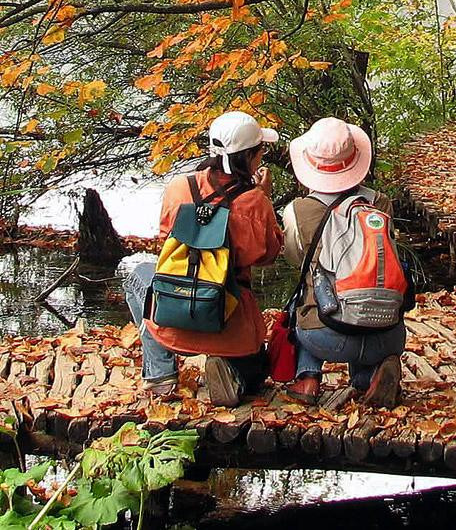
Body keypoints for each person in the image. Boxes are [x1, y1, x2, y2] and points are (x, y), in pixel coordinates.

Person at [124, 111, 283, 405]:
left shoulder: (178, 187)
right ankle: (232, 372)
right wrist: (264, 197)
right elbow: (269, 254)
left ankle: (160, 373)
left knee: (140, 274)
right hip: (229, 318)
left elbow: (165, 239)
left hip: (175, 313)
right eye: (261, 149)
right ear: (250, 156)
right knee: (257, 371)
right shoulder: (255, 202)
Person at [282, 117, 406, 408]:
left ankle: (308, 378)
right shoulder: (380, 203)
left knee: (304, 295)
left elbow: (295, 261)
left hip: (325, 336)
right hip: (387, 332)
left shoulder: (298, 211)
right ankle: (369, 377)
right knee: (366, 288)